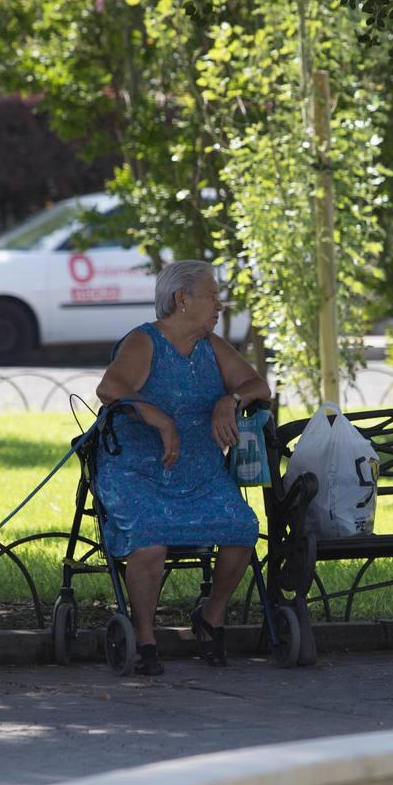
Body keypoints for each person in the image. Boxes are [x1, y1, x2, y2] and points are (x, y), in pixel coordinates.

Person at [94, 260, 271, 675]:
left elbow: (256, 385)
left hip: (200, 473)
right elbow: (110, 388)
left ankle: (210, 618)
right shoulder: (145, 342)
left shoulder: (213, 345)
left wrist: (231, 400)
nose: (219, 305)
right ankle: (146, 637)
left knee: (242, 527)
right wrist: (158, 417)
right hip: (138, 471)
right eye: (212, 296)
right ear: (182, 299)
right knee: (150, 539)